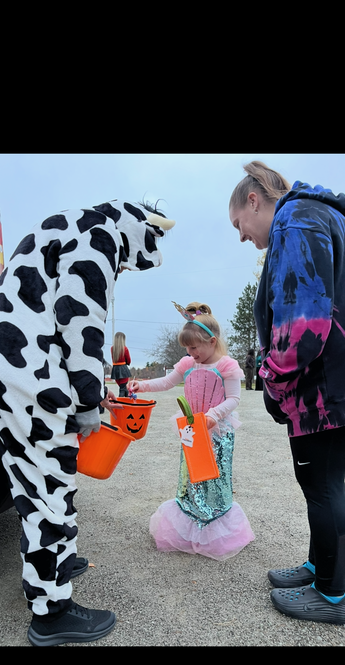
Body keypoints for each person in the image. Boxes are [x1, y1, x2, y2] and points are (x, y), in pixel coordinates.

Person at [0, 199, 175, 645]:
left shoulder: (65, 225)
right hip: (27, 367)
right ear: (140, 233)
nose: (128, 268)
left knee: (30, 476)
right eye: (137, 260)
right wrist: (88, 399)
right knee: (49, 485)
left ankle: (57, 562)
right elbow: (81, 319)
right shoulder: (99, 234)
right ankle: (51, 609)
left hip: (0, 368)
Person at [229, 159, 345, 624]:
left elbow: (305, 323)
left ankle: (334, 594)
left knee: (323, 488)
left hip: (321, 390)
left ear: (254, 201)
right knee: (325, 484)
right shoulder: (323, 215)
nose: (241, 236)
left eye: (239, 223)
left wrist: (272, 378)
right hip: (334, 383)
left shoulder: (295, 221)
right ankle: (321, 568)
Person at [128, 302, 254, 560]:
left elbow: (234, 399)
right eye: (187, 347)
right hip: (192, 431)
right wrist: (141, 385)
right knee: (192, 476)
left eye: (194, 347)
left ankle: (215, 527)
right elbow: (166, 382)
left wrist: (213, 415)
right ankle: (192, 521)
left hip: (217, 432)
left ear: (212, 341)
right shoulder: (188, 363)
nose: (189, 352)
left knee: (214, 478)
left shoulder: (227, 366)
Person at [111, 332, 131, 397]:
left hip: (115, 369)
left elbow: (113, 359)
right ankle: (121, 403)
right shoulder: (125, 349)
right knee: (123, 389)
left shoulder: (112, 349)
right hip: (123, 369)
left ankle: (127, 400)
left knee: (123, 388)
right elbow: (129, 361)